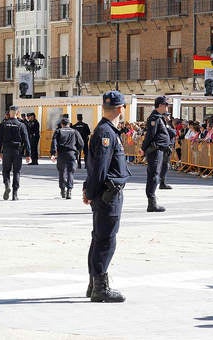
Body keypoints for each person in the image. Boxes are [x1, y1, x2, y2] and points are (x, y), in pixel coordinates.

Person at [83, 90, 131, 303]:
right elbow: (99, 168)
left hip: (104, 193)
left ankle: (94, 283)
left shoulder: (105, 130)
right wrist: (92, 193)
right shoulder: (106, 133)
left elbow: (93, 167)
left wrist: (88, 188)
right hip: (108, 195)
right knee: (105, 240)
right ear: (121, 109)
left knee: (99, 238)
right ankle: (100, 287)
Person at [141, 96, 176, 212]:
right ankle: (152, 203)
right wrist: (143, 148)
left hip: (160, 150)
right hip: (155, 150)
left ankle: (152, 202)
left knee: (155, 175)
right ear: (160, 105)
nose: (167, 107)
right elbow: (150, 135)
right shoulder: (154, 118)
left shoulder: (159, 118)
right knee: (153, 176)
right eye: (166, 105)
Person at [0, 106, 31, 201]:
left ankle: (7, 185)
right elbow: (26, 140)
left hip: (6, 150)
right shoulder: (21, 125)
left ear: (9, 112)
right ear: (18, 113)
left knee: (6, 170)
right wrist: (28, 154)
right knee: (16, 171)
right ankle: (15, 194)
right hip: (17, 151)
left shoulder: (3, 124)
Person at [51, 116, 83, 199]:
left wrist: (53, 153)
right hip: (71, 154)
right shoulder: (74, 131)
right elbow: (81, 143)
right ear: (69, 124)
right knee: (70, 173)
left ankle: (62, 191)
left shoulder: (58, 131)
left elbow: (54, 142)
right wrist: (78, 152)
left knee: (61, 173)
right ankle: (69, 191)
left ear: (61, 124)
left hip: (61, 154)